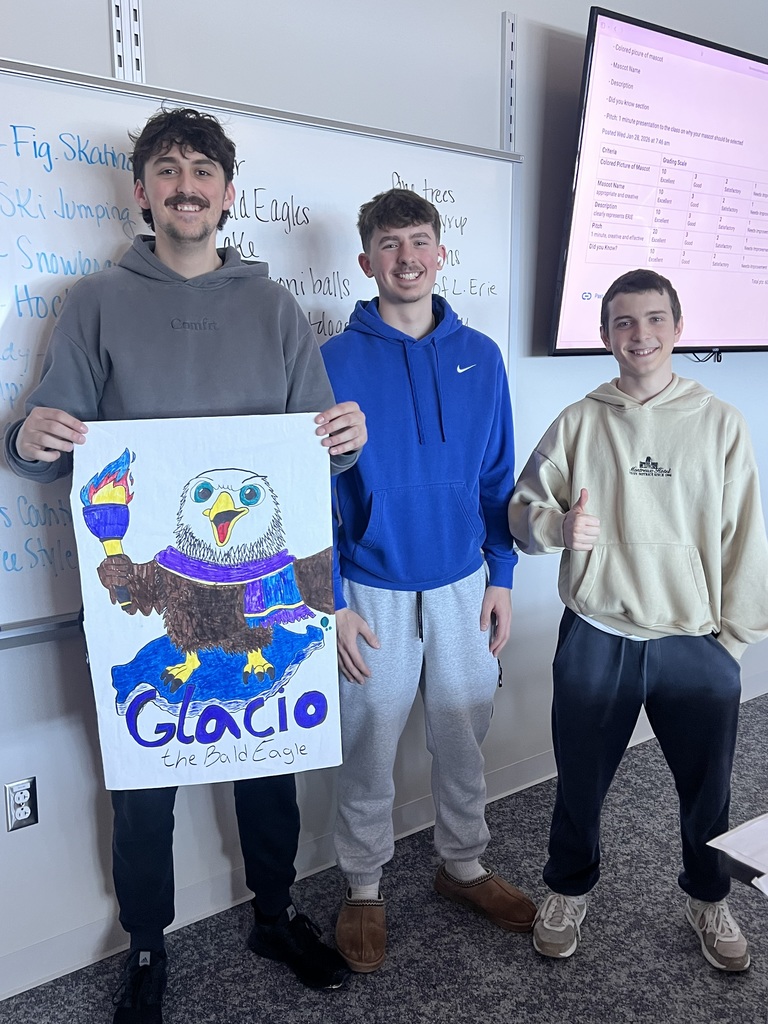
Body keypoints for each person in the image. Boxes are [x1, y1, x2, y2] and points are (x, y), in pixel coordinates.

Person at [4, 107, 367, 1019]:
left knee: (268, 763)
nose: (186, 185)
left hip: (259, 594)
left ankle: (276, 914)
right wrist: (26, 437)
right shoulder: (94, 302)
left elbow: (316, 456)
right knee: (143, 782)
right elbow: (43, 440)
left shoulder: (274, 308)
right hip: (155, 602)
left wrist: (347, 441)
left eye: (202, 170)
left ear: (228, 193)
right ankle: (146, 945)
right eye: (167, 169)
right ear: (142, 192)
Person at [507, 268, 768, 971]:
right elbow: (521, 512)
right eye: (623, 322)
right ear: (605, 336)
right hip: (599, 634)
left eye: (654, 319)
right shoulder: (580, 420)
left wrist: (733, 641)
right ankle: (568, 888)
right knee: (579, 784)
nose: (640, 334)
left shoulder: (719, 422)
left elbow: (747, 535)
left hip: (694, 639)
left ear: (678, 328)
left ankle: (708, 898)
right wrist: (557, 528)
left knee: (709, 790)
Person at [320, 188, 536, 973]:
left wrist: (502, 576)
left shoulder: (482, 355)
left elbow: (498, 477)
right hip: (370, 588)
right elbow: (313, 493)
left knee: (462, 729)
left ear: (441, 253)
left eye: (418, 241)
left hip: (463, 582)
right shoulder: (330, 362)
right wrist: (333, 601)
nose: (405, 258)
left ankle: (464, 866)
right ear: (365, 260)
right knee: (368, 736)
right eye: (389, 244)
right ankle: (363, 885)